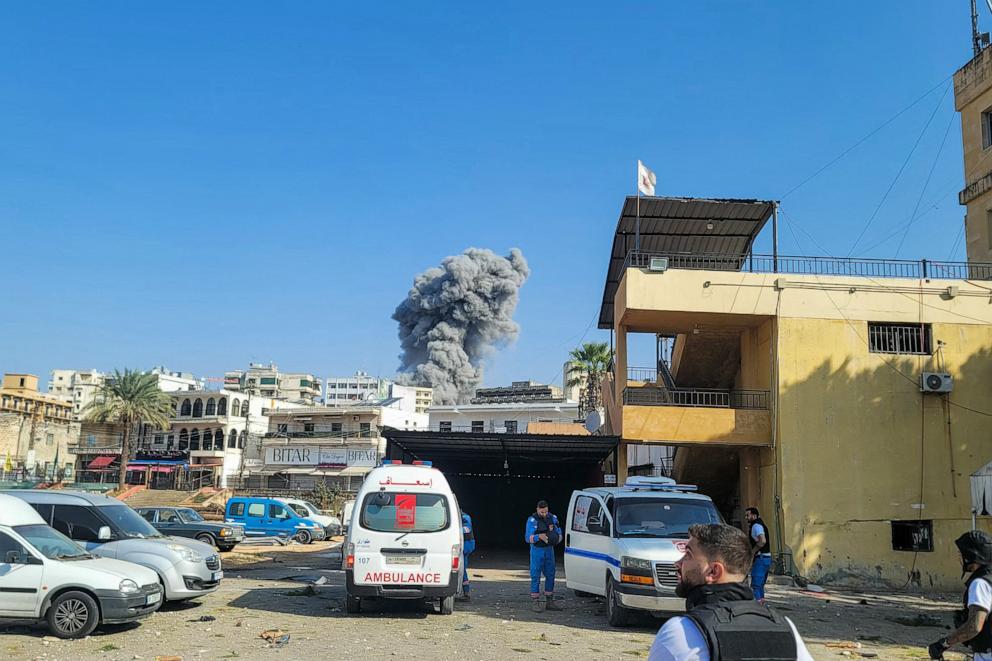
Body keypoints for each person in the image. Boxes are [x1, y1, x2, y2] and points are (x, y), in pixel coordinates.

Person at [648, 523, 814, 661]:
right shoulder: (784, 627)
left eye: (688, 555)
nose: (678, 563)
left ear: (713, 572)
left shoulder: (682, 632)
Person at [927, 530, 992, 660]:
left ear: (971, 555)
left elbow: (974, 626)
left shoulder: (980, 583)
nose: (959, 557)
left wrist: (943, 644)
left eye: (961, 553)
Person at [525, 499, 562, 612]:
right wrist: (538, 537)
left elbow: (559, 533)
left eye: (546, 512)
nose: (544, 514)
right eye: (542, 512)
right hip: (537, 550)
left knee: (551, 574)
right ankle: (535, 601)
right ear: (537, 510)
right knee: (535, 575)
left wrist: (554, 539)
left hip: (549, 550)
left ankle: (549, 601)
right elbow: (527, 538)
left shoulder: (553, 518)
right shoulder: (532, 520)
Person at [745, 507, 772, 602]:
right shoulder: (761, 524)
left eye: (748, 515)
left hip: (761, 558)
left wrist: (753, 552)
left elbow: (762, 541)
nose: (746, 517)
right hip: (766, 558)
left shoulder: (756, 526)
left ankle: (757, 608)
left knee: (755, 585)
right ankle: (761, 605)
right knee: (760, 585)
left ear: (754, 515)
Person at [457, 511, 476, 602]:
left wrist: (453, 528)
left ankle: (466, 593)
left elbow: (467, 529)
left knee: (462, 568)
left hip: (466, 545)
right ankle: (465, 592)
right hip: (466, 545)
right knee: (462, 568)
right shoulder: (463, 517)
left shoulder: (465, 517)